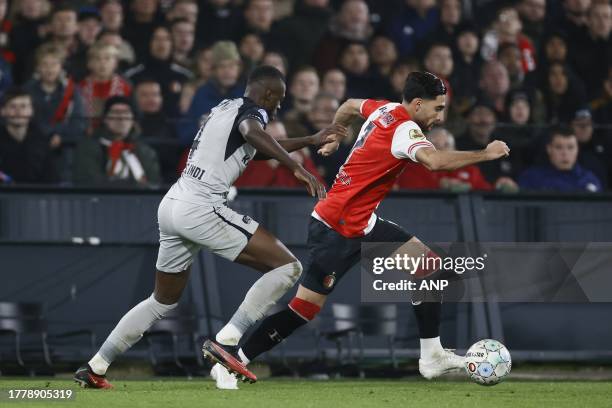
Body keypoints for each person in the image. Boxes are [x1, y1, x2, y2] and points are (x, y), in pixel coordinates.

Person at [203, 72, 511, 388]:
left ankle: (431, 356)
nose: (440, 116)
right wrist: (485, 154)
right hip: (337, 227)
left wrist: (339, 134)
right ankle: (234, 360)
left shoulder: (383, 109)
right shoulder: (404, 129)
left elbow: (350, 105)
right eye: (437, 108)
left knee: (428, 267)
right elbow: (433, 162)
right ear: (418, 104)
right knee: (303, 310)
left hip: (361, 222)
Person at [73, 65, 346, 389]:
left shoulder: (224, 107)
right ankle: (228, 341)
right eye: (280, 99)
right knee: (288, 267)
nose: (279, 107)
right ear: (269, 93)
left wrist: (309, 140)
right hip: (201, 207)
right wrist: (296, 167)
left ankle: (96, 366)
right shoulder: (252, 112)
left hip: (173, 203)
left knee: (161, 300)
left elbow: (251, 148)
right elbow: (252, 132)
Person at [72, 96, 160, 186]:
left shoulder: (145, 151)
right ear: (105, 119)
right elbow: (89, 181)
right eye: (115, 112)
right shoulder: (88, 147)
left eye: (126, 113)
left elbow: (154, 184)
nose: (121, 117)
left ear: (133, 121)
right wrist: (130, 185)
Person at [519, 125, 602, 192]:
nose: (565, 153)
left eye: (570, 147)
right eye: (559, 147)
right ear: (549, 149)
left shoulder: (589, 180)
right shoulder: (532, 178)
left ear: (577, 149)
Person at [0, 88, 57, 184]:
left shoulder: (41, 141)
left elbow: (51, 180)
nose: (18, 112)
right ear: (2, 111)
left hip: (36, 196)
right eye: (12, 106)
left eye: (23, 106)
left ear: (31, 111)